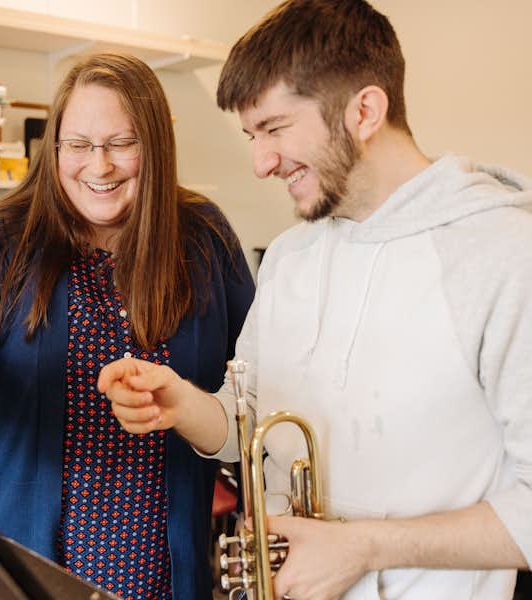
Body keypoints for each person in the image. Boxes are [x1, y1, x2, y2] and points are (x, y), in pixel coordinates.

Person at [97, 1, 532, 598]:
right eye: (252, 136)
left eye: (275, 129)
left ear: (365, 111)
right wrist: (181, 403)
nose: (260, 163)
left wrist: (366, 548)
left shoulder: (504, 253)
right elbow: (249, 424)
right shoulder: (289, 255)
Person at [0, 53, 254, 600]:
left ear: (156, 146)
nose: (100, 166)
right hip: (26, 557)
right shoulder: (7, 240)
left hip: (162, 562)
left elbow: (254, 373)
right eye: (78, 144)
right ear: (54, 149)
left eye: (121, 143)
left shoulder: (204, 237)